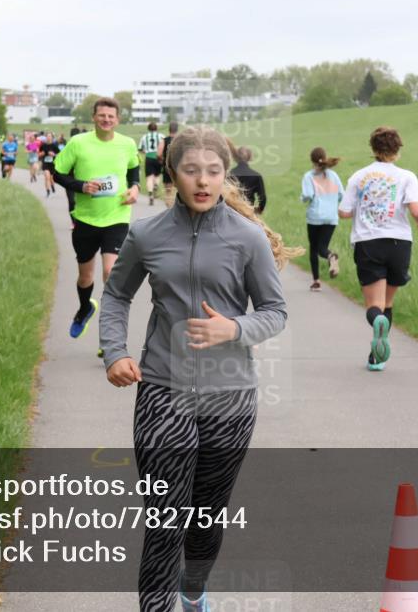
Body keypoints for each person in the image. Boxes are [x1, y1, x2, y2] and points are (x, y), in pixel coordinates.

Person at [99, 124, 300, 612]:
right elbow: (116, 296)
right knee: (166, 519)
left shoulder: (247, 238)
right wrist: (115, 353)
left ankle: (193, 592)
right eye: (192, 171)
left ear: (225, 174)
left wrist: (233, 329)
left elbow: (275, 311)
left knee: (205, 515)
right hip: (163, 390)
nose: (203, 181)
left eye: (213, 171)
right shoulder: (146, 234)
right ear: (172, 174)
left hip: (230, 396)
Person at [52, 96, 140, 358]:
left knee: (111, 273)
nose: (106, 120)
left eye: (111, 116)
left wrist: (135, 188)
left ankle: (109, 339)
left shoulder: (127, 144)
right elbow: (57, 172)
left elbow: (134, 171)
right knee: (85, 277)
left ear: (118, 119)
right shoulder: (79, 143)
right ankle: (84, 308)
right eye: (102, 115)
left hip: (117, 217)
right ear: (94, 117)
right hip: (86, 219)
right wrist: (81, 186)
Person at [338, 126, 418, 371]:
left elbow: (344, 212)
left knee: (374, 306)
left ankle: (377, 325)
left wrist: (362, 207)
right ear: (397, 149)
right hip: (399, 243)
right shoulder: (407, 176)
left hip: (368, 242)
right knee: (388, 303)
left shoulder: (358, 176)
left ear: (373, 149)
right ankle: (376, 357)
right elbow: (416, 210)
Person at [301, 147, 344, 291]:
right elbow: (341, 195)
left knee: (314, 249)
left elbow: (307, 195)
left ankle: (316, 280)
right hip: (331, 217)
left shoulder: (309, 176)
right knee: (322, 247)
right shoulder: (334, 175)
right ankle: (330, 256)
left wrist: (302, 198)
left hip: (315, 217)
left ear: (312, 160)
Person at [228, 146, 266, 214]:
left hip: (232, 211)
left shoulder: (229, 174)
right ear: (249, 158)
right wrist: (259, 209)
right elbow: (262, 198)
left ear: (236, 157)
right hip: (248, 212)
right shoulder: (256, 176)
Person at [138, 122, 165, 206]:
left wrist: (145, 152)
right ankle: (156, 185)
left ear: (148, 129)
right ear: (156, 128)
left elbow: (140, 148)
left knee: (149, 177)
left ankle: (150, 194)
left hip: (149, 157)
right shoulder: (161, 136)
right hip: (159, 158)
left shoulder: (144, 137)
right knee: (157, 175)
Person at [156, 121, 178, 208]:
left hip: (168, 167)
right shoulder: (179, 141)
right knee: (177, 189)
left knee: (168, 190)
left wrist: (162, 160)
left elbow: (158, 154)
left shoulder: (164, 140)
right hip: (178, 167)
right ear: (177, 130)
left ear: (169, 129)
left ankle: (169, 207)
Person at [39, 132, 60, 197]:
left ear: (52, 137)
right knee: (47, 177)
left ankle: (52, 185)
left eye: (50, 136)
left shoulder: (54, 146)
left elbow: (60, 155)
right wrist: (41, 154)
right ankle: (48, 191)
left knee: (51, 178)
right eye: (47, 136)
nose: (48, 137)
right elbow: (39, 154)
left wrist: (54, 154)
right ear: (46, 137)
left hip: (52, 164)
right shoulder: (43, 145)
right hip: (45, 163)